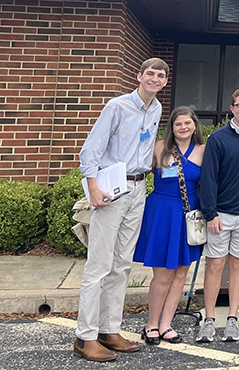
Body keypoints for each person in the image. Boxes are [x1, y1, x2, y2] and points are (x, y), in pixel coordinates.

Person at [74, 57, 168, 362]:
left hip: (139, 187)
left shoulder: (156, 109)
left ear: (165, 81)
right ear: (139, 76)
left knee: (122, 263)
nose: (155, 78)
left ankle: (109, 330)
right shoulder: (117, 106)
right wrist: (93, 188)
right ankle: (85, 337)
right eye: (150, 73)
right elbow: (91, 149)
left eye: (161, 75)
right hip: (112, 187)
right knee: (98, 264)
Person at [197, 88, 239, 343]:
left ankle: (233, 318)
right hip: (221, 215)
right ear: (233, 108)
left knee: (238, 265)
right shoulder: (218, 138)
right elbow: (209, 178)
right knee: (215, 265)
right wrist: (210, 212)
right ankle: (209, 319)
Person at [133, 106, 206, 345]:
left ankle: (167, 324)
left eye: (188, 123)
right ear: (171, 127)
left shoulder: (204, 151)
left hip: (189, 215)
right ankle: (151, 324)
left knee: (181, 273)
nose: (183, 127)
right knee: (163, 274)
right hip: (163, 212)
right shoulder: (158, 148)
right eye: (178, 124)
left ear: (195, 125)